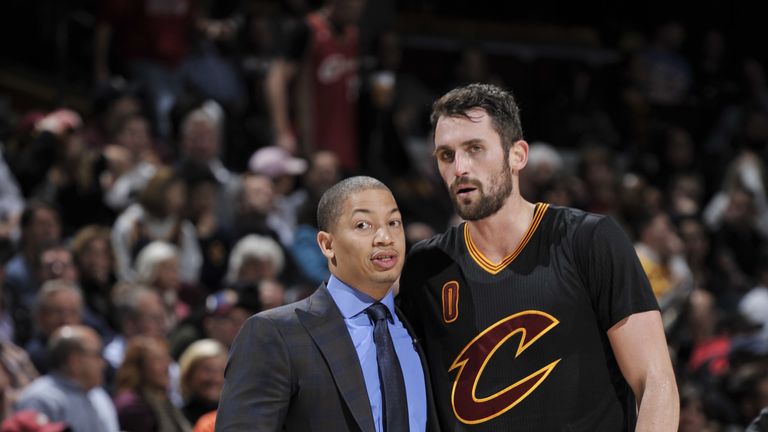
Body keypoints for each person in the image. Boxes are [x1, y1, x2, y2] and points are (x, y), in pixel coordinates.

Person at [397, 83, 679, 431]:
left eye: (475, 149)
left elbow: (655, 382)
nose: (460, 168)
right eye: (446, 155)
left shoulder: (589, 240)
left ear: (518, 155)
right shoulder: (427, 266)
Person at [216, 176, 437, 431]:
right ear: (327, 244)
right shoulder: (275, 333)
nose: (385, 237)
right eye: (363, 225)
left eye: (394, 222)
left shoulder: (422, 329)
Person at [16, 325, 119, 432]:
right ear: (75, 361)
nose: (103, 364)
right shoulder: (40, 399)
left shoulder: (99, 395)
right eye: (97, 355)